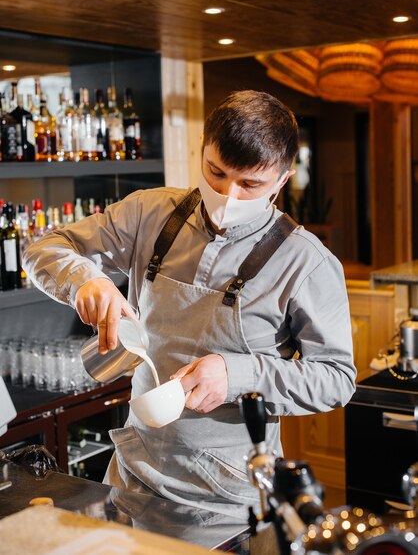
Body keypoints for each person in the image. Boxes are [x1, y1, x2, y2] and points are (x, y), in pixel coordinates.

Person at [23, 90, 356, 520]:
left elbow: (336, 378)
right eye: (215, 172)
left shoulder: (307, 262)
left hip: (228, 495)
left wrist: (238, 374)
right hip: (131, 475)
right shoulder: (150, 213)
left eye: (250, 183)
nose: (228, 195)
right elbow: (46, 247)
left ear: (282, 179)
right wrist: (85, 280)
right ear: (201, 149)